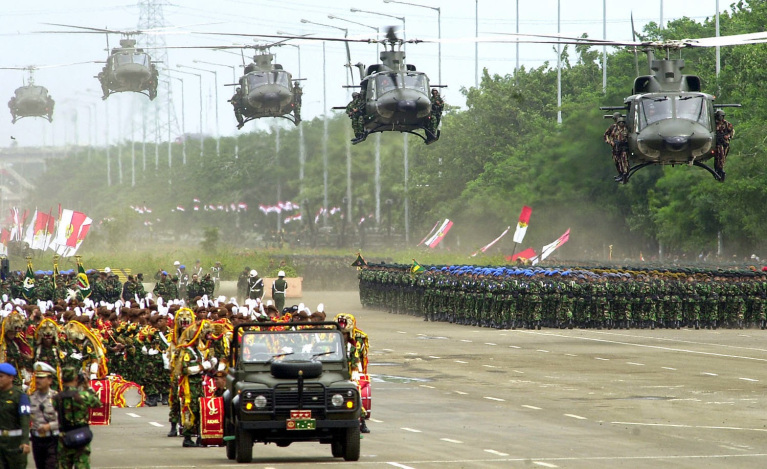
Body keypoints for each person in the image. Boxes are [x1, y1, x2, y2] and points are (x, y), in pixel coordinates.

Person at [54, 367, 100, 469]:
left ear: (61, 379)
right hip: (81, 436)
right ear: (76, 379)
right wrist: (88, 386)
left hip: (64, 437)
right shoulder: (83, 396)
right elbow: (97, 403)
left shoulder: (56, 398)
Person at [0, 362, 31, 468]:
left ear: (10, 377)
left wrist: (25, 442)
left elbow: (25, 420)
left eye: (1, 377)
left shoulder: (20, 396)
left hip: (15, 444)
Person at [29, 362, 58, 469]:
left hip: (52, 439)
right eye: (37, 378)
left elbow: (62, 420)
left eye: (42, 378)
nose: (38, 381)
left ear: (50, 380)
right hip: (37, 440)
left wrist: (49, 426)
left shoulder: (56, 397)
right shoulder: (31, 398)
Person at [606, 116, 630, 183]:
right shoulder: (613, 128)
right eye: (620, 122)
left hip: (624, 147)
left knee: (624, 160)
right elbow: (606, 135)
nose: (621, 124)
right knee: (617, 161)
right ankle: (621, 174)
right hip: (616, 148)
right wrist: (610, 141)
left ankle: (625, 174)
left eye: (623, 122)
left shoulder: (627, 128)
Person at [714, 109, 734, 181]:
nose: (720, 118)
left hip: (724, 142)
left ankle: (720, 169)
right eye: (719, 116)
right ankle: (717, 169)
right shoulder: (713, 124)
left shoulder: (727, 124)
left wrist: (727, 136)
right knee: (718, 157)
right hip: (717, 143)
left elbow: (732, 132)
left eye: (721, 116)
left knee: (723, 157)